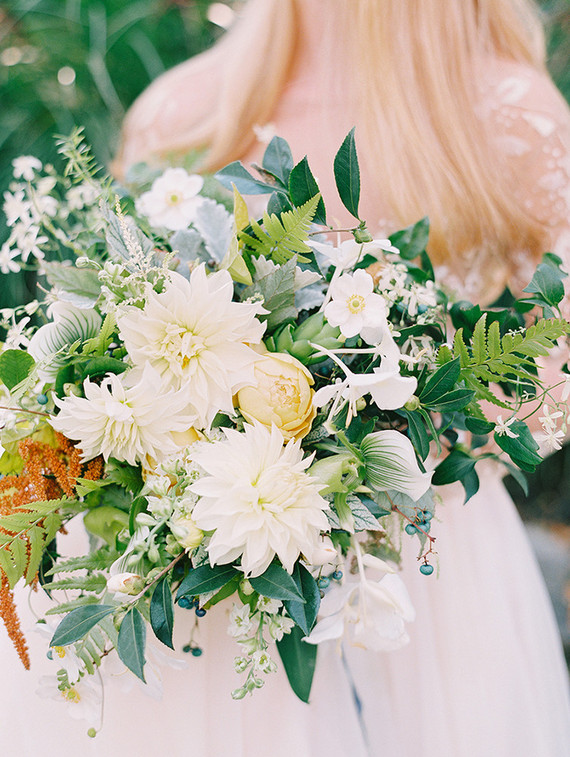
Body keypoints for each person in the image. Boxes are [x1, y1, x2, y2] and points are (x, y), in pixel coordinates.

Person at [2, 1, 570, 755]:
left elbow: (556, 377)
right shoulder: (180, 114)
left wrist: (375, 457)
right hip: (194, 600)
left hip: (417, 589)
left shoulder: (502, 111)